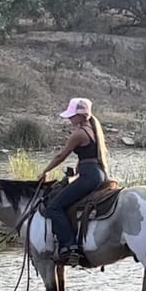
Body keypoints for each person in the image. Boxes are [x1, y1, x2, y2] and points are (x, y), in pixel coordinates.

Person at [37, 98, 110, 265]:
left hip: (89, 177)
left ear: (79, 115)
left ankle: (70, 246)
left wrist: (45, 171)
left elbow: (61, 156)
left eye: (72, 116)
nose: (69, 119)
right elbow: (87, 156)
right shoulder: (93, 130)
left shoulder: (79, 134)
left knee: (54, 206)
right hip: (98, 174)